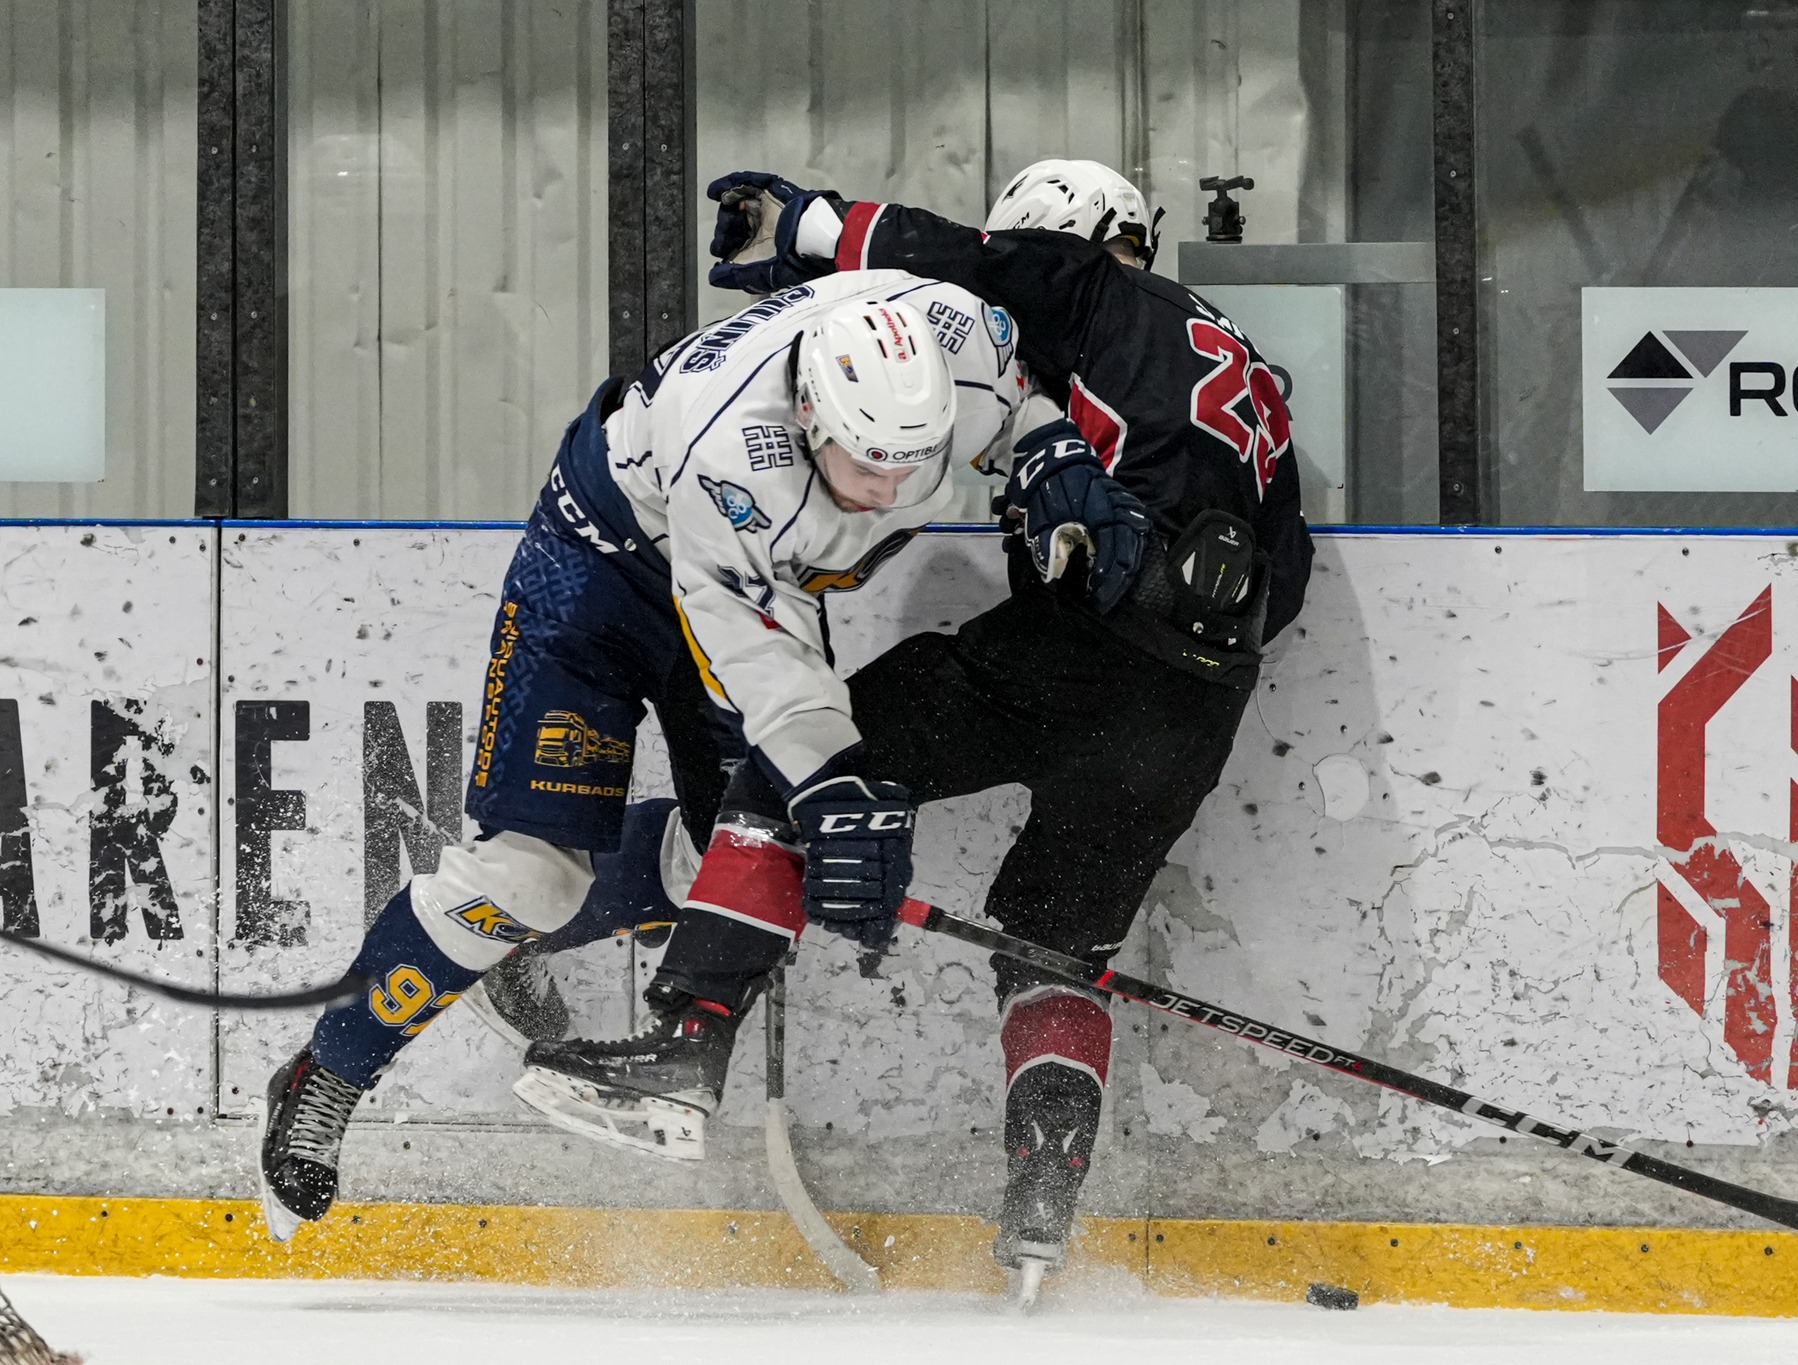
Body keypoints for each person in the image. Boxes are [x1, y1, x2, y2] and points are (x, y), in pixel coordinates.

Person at [518, 160, 1313, 1283]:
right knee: (1053, 949)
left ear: (1073, 236)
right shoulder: (1245, 368)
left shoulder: (1085, 286)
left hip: (1064, 656)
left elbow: (955, 266)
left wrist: (805, 225)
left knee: (798, 781)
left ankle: (685, 1050)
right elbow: (1284, 579)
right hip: (1196, 707)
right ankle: (1039, 1217)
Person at [256, 272, 1028, 1241]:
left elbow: (1017, 393)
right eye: (863, 466)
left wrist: (1050, 452)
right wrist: (831, 782)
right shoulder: (732, 452)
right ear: (805, 410)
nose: (888, 490)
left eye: (911, 466)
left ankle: (507, 948)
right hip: (605, 566)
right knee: (529, 875)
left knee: (741, 861)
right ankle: (330, 1066)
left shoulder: (962, 353)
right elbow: (752, 642)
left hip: (752, 586)